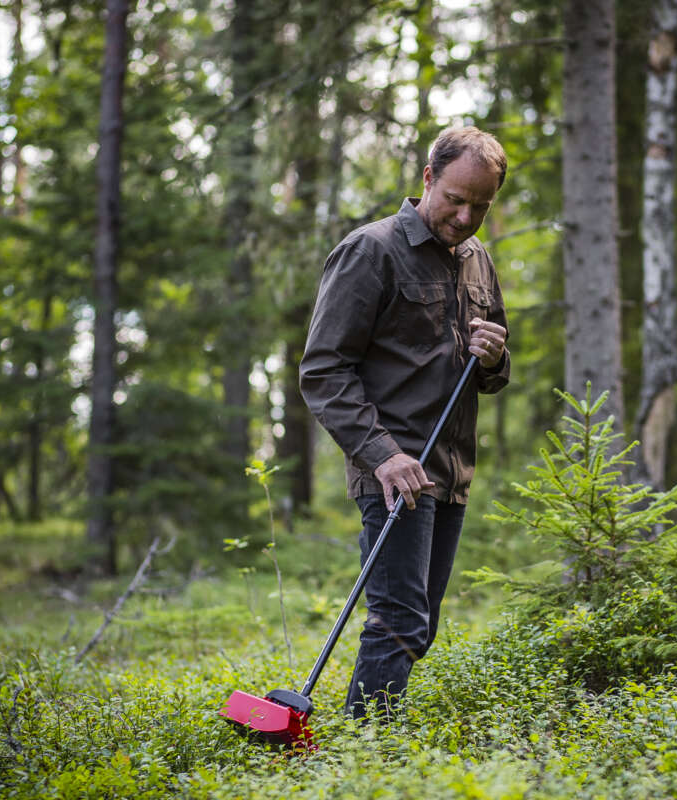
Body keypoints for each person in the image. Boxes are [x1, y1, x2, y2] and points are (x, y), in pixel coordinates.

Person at [299, 126, 510, 718]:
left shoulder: (477, 261)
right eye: (455, 198)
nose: (466, 216)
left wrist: (494, 357)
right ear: (427, 178)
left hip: (450, 469)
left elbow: (489, 374)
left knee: (420, 624)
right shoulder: (371, 251)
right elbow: (323, 371)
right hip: (393, 467)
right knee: (398, 619)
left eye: (481, 206)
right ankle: (366, 754)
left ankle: (366, 742)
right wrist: (382, 454)